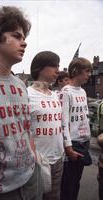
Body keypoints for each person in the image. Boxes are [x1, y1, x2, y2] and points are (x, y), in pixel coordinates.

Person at [0, 6, 43, 200]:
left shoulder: (20, 84)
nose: (24, 43)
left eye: (24, 37)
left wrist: (34, 156)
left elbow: (25, 126)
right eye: (16, 36)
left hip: (30, 179)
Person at [27, 51, 74, 200]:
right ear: (40, 68)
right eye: (54, 66)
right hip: (37, 162)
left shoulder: (55, 95)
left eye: (58, 66)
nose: (58, 70)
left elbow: (62, 124)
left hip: (57, 159)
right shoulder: (26, 94)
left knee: (54, 196)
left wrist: (67, 146)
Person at [59, 57, 93, 200]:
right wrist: (68, 148)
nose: (89, 75)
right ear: (76, 71)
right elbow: (63, 122)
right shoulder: (66, 92)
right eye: (87, 71)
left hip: (83, 142)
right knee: (68, 183)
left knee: (76, 181)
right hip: (73, 144)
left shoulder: (83, 92)